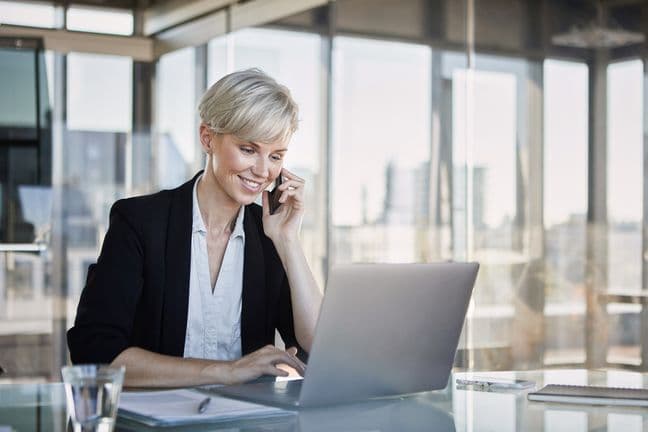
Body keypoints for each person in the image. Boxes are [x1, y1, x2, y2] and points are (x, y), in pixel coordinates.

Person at [67, 69, 323, 387]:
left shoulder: (269, 237)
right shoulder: (139, 223)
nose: (262, 171)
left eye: (276, 156)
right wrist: (224, 371)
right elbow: (94, 353)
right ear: (207, 138)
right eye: (248, 149)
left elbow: (321, 349)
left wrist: (288, 241)